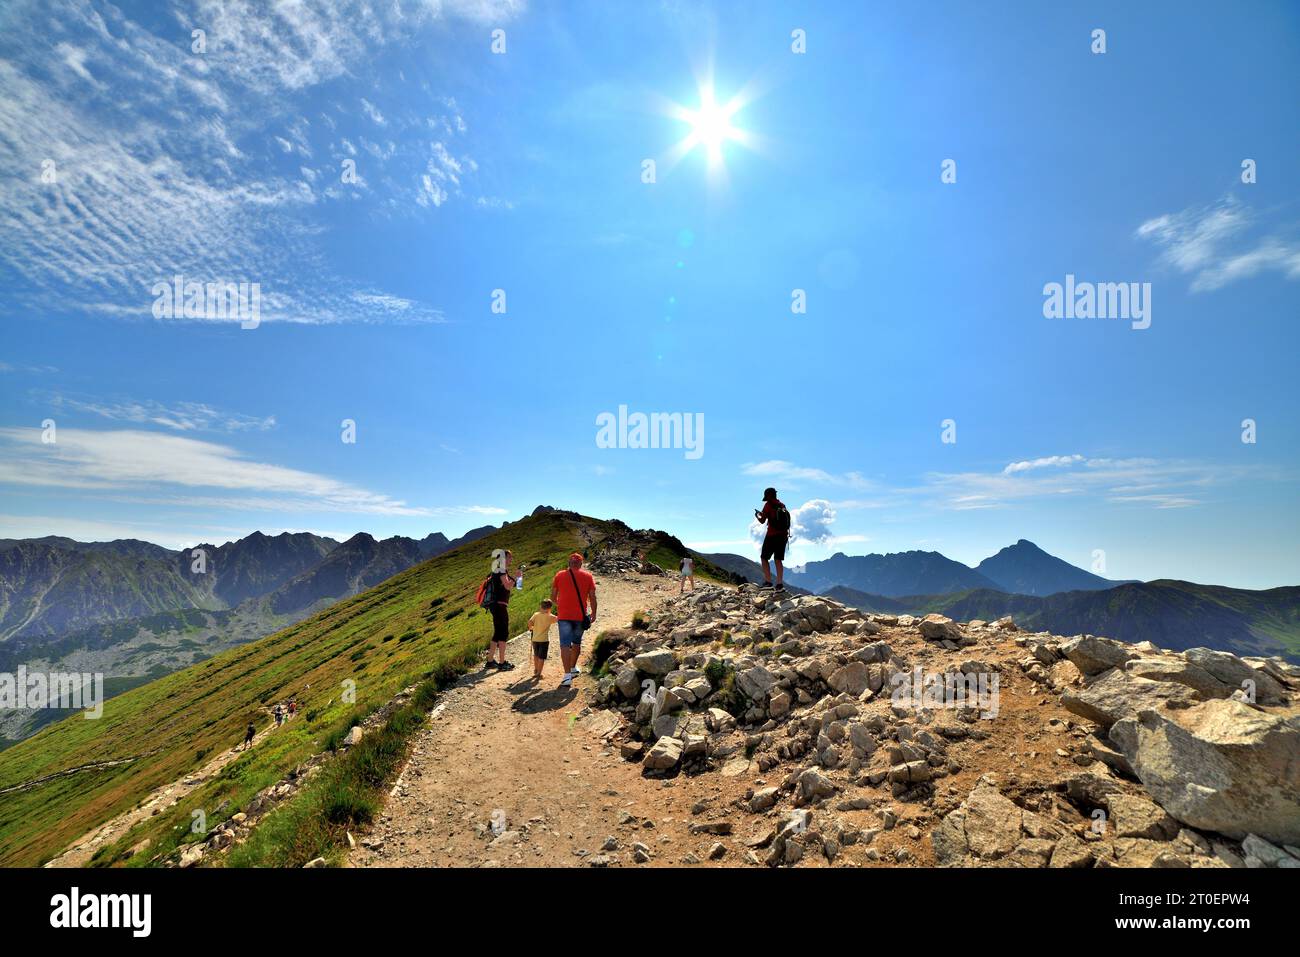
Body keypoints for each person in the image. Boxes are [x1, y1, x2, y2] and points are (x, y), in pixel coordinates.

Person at [550, 552, 597, 687]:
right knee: (576, 642)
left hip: (564, 616)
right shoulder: (588, 576)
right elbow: (593, 597)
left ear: (569, 563)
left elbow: (553, 596)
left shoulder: (560, 575)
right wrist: (594, 612)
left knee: (565, 645)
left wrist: (561, 604)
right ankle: (572, 668)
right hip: (580, 617)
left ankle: (567, 677)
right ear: (581, 564)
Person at [484, 549, 519, 671]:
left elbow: (514, 586)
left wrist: (517, 579)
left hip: (495, 606)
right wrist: (516, 577)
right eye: (509, 557)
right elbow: (508, 586)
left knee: (497, 633)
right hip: (500, 606)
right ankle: (502, 663)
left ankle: (490, 661)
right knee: (503, 633)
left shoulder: (497, 570)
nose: (511, 560)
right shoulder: (502, 570)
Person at [754, 487, 791, 591]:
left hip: (771, 535)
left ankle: (768, 582)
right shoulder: (782, 505)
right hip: (783, 536)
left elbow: (762, 520)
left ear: (768, 496)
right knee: (778, 560)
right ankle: (779, 584)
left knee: (764, 558)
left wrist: (757, 515)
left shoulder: (768, 505)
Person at [527, 598, 559, 680]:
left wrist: (531, 628)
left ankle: (536, 668)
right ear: (549, 608)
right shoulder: (550, 616)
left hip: (535, 639)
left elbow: (530, 622)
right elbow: (558, 619)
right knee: (541, 657)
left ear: (540, 607)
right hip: (544, 640)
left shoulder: (536, 614)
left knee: (536, 655)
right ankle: (539, 673)